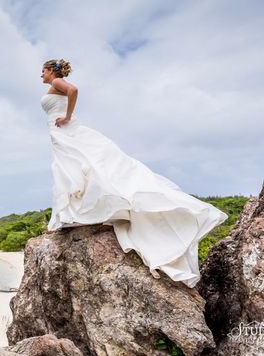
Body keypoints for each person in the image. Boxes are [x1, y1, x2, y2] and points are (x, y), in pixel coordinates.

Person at [40, 59, 227, 288]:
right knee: (73, 167)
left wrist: (67, 116)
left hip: (64, 129)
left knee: (78, 166)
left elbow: (74, 90)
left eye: (43, 71)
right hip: (58, 132)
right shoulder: (53, 86)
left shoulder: (58, 82)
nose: (41, 76)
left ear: (51, 71)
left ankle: (75, 213)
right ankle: (73, 213)